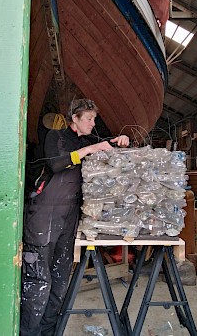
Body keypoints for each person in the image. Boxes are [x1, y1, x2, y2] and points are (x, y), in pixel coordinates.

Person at [20, 98, 129, 336]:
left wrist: (119, 142)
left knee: (59, 281)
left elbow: (105, 146)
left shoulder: (88, 140)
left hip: (68, 219)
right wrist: (93, 149)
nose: (93, 123)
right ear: (75, 119)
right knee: (39, 281)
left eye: (94, 119)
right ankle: (28, 332)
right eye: (88, 119)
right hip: (44, 216)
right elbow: (58, 163)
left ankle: (48, 331)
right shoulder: (55, 137)